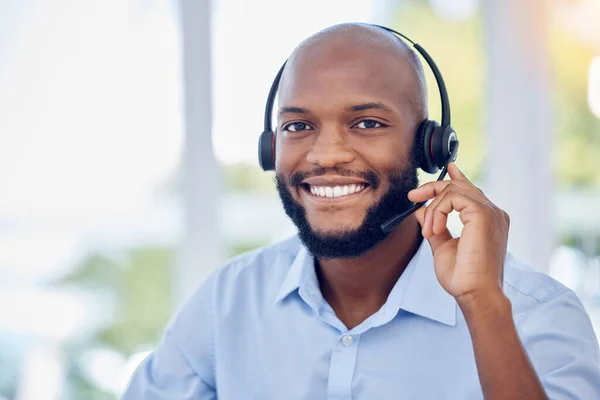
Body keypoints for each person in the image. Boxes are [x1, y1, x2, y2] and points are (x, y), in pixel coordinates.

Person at [122, 23, 600, 399]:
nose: (326, 154)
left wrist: (484, 307)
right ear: (271, 148)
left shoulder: (538, 316)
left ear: (430, 147)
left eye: (367, 123)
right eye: (298, 126)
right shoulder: (226, 303)